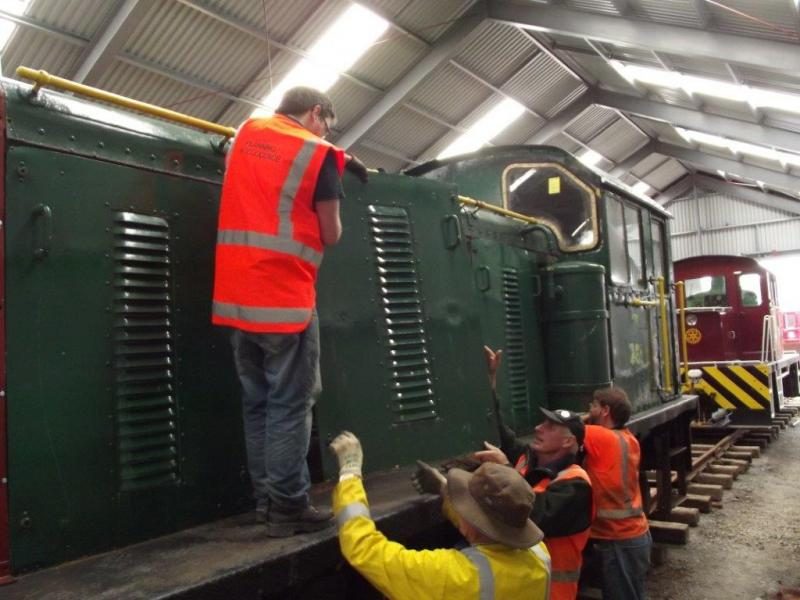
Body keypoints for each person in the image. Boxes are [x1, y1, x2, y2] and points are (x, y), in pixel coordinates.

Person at [212, 86, 368, 537]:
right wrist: (334, 162)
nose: (326, 134)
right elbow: (331, 233)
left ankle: (266, 502)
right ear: (317, 113)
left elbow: (269, 164)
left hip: (236, 295)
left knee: (257, 403)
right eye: (328, 125)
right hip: (283, 299)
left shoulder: (245, 133)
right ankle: (288, 507)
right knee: (290, 404)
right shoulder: (318, 155)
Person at [329, 431, 552, 600]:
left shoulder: (457, 576)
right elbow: (489, 523)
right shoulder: (539, 554)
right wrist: (446, 491)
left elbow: (365, 550)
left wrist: (349, 474)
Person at [477, 347, 593, 600]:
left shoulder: (575, 486)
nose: (538, 427)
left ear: (567, 442)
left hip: (550, 593)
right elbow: (497, 425)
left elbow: (531, 518)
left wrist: (506, 471)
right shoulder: (526, 457)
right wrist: (490, 380)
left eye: (550, 426)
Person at [583, 387, 651, 600]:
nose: (588, 410)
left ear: (605, 410)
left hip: (619, 540)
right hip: (633, 536)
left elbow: (566, 427)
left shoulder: (600, 437)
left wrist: (584, 418)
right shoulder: (627, 437)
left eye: (593, 406)